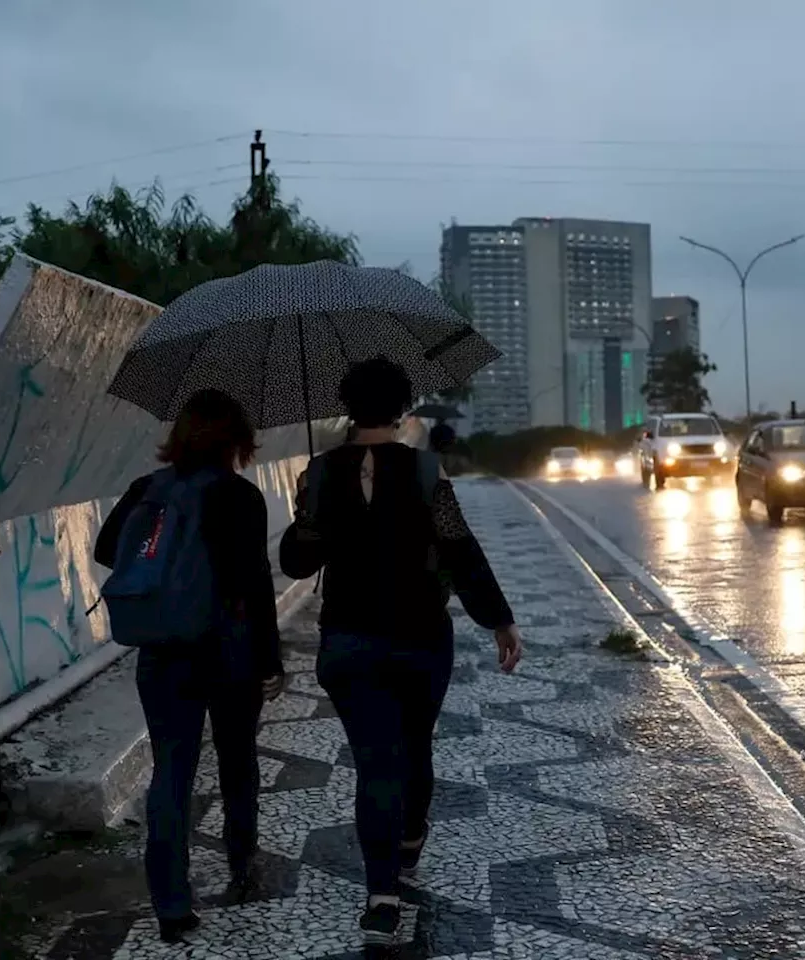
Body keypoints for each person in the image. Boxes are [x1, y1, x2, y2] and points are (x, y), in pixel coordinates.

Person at [279, 356, 522, 947]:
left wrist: (305, 513)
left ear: (347, 406)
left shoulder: (319, 473)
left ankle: (382, 898)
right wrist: (498, 620)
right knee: (413, 751)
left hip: (349, 641)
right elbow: (459, 549)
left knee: (375, 763)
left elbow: (296, 563)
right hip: (419, 638)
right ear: (401, 409)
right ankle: (408, 842)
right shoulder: (425, 472)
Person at [94, 388, 284, 945]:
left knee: (171, 772)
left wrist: (165, 557)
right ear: (237, 441)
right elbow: (255, 584)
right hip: (229, 652)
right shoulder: (239, 496)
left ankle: (171, 906)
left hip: (162, 653)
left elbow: (109, 551)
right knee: (237, 762)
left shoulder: (147, 489)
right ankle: (241, 863)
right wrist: (270, 659)